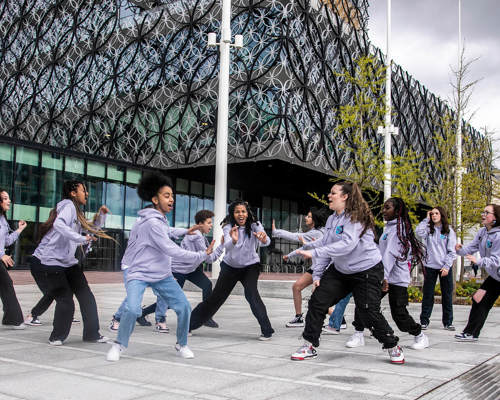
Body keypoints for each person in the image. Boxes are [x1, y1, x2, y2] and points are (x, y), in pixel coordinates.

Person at [290, 182, 404, 364]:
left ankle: (392, 345)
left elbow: (346, 245)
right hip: (341, 271)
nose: (329, 195)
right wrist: (317, 274)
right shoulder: (331, 219)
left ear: (345, 197)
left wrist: (314, 252)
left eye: (333, 193)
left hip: (367, 270)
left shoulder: (356, 218)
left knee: (368, 311)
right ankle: (309, 344)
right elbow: (328, 247)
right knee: (317, 301)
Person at [106, 172, 214, 361]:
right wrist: (202, 255)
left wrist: (188, 230)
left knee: (183, 307)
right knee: (132, 309)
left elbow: (169, 231)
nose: (171, 199)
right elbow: (170, 248)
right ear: (155, 199)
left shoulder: (158, 219)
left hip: (162, 275)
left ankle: (182, 344)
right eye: (166, 196)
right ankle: (119, 345)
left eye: (172, 196)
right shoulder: (152, 223)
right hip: (138, 273)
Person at [31, 180, 111, 345]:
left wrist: (101, 216)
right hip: (52, 261)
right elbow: (59, 225)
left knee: (86, 296)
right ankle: (57, 337)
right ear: (73, 193)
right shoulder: (68, 206)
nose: (86, 193)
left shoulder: (76, 211)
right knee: (65, 299)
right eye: (83, 190)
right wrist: (80, 238)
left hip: (68, 262)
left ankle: (92, 334)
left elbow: (90, 229)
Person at [346, 197, 429, 350]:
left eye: (387, 208)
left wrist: (382, 277)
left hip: (395, 279)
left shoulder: (400, 231)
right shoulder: (390, 228)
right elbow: (382, 252)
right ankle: (358, 334)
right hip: (383, 275)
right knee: (364, 302)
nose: (383, 210)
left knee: (399, 315)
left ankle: (420, 335)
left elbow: (390, 255)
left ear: (397, 211)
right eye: (384, 207)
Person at [189, 200, 275, 340]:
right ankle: (189, 325)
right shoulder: (228, 226)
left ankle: (267, 330)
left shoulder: (255, 225)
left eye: (243, 211)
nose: (240, 214)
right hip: (230, 267)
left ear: (247, 213)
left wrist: (264, 239)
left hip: (250, 267)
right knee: (216, 298)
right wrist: (234, 240)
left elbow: (267, 240)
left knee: (252, 294)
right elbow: (227, 246)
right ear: (233, 214)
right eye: (237, 212)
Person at [109, 223, 201, 332]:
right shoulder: (139, 228)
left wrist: (185, 231)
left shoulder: (158, 230)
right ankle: (117, 318)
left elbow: (168, 232)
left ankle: (160, 320)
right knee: (133, 296)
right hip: (133, 266)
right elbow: (167, 231)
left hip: (153, 267)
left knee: (163, 294)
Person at [272, 208, 329, 327]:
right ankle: (298, 317)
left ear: (314, 220)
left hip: (321, 269)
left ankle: (338, 318)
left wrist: (276, 232)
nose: (305, 218)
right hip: (317, 267)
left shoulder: (316, 232)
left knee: (316, 298)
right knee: (297, 287)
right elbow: (305, 247)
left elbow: (295, 236)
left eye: (308, 216)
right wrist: (290, 255)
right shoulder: (319, 231)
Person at [454, 204, 500, 342]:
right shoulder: (482, 232)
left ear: (495, 217)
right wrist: (460, 250)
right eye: (483, 211)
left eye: (487, 212)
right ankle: (471, 333)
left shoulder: (499, 236)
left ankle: (471, 332)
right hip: (496, 276)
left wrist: (478, 260)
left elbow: (497, 260)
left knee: (481, 300)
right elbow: (471, 248)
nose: (483, 214)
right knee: (478, 298)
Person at [416, 207, 457, 330]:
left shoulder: (448, 230)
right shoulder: (428, 229)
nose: (434, 215)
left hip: (444, 268)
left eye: (436, 213)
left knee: (447, 295)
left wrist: (446, 266)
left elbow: (452, 251)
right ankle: (424, 321)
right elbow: (418, 232)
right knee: (427, 295)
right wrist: (425, 219)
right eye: (432, 214)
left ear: (442, 215)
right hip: (429, 266)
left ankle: (448, 322)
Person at [0, 189, 27, 329]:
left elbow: (6, 241)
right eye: (5, 198)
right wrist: (0, 255)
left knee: (6, 285)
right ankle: (14, 319)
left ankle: (11, 318)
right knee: (7, 285)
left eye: (8, 198)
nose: (8, 201)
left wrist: (19, 230)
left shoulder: (3, 219)